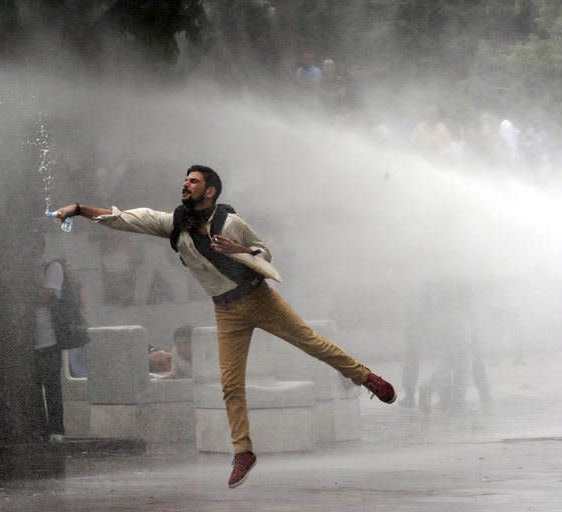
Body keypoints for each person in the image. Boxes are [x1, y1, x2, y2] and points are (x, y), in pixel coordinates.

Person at [53, 165, 396, 488]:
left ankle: (365, 377)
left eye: (194, 181)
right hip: (226, 311)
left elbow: (265, 253)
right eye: (185, 180)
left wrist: (241, 249)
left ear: (211, 190)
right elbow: (126, 218)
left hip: (259, 298)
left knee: (311, 342)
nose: (186, 184)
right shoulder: (175, 223)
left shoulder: (230, 222)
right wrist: (81, 209)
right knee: (230, 384)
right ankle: (243, 452)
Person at [31, 239, 65, 442]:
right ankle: (39, 429)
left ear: (39, 248)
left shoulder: (51, 267)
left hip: (49, 338)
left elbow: (46, 295)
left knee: (52, 386)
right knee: (33, 387)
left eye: (32, 246)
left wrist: (30, 282)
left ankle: (56, 429)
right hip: (28, 340)